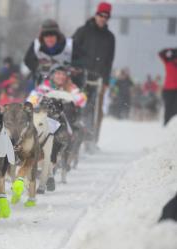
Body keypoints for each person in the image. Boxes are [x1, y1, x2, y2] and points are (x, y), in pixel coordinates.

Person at [72, 1, 115, 150]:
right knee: (77, 105)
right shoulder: (83, 31)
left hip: (98, 78)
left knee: (94, 109)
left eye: (106, 16)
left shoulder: (110, 37)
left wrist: (106, 80)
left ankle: (91, 139)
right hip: (79, 76)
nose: (103, 18)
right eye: (101, 15)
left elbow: (109, 60)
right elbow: (72, 51)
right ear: (96, 15)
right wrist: (74, 68)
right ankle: (73, 136)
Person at [24, 19, 73, 85]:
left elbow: (78, 60)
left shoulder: (66, 45)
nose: (49, 38)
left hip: (63, 81)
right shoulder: (36, 44)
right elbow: (28, 60)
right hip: (43, 81)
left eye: (52, 35)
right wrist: (38, 67)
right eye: (46, 35)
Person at [158, 48, 177, 125]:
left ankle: (173, 124)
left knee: (175, 108)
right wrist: (172, 50)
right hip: (168, 89)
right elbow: (160, 54)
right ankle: (166, 123)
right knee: (168, 107)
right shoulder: (168, 63)